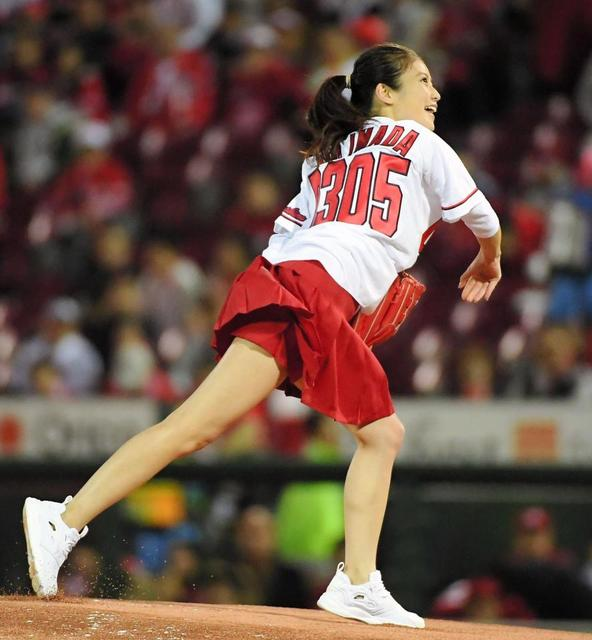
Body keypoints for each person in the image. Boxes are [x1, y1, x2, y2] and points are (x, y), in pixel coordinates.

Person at [22, 42, 502, 629]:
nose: (435, 92)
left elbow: (286, 232)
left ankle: (64, 519)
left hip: (285, 282)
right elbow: (485, 220)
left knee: (193, 429)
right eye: (423, 80)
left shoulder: (326, 153)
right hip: (317, 294)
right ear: (385, 93)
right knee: (382, 434)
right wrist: (489, 260)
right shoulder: (424, 143)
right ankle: (357, 583)